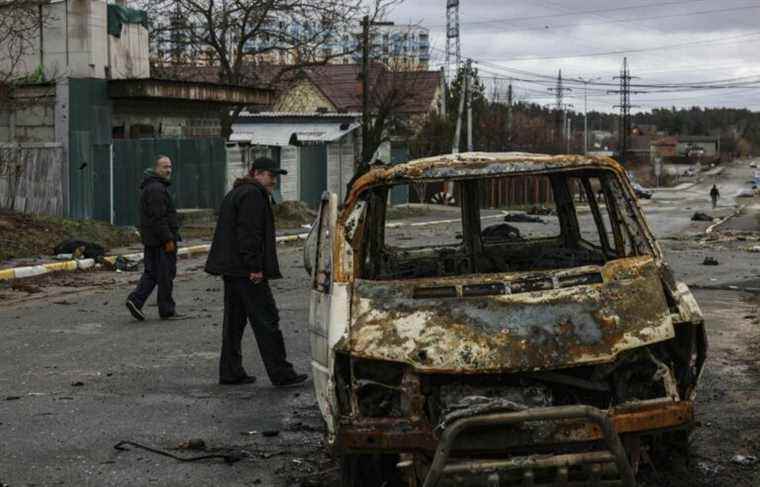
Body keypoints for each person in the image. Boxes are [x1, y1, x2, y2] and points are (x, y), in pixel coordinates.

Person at [205, 158, 307, 387]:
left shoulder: (237, 192)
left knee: (234, 322)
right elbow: (249, 234)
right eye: (271, 176)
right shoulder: (253, 195)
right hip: (245, 271)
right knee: (267, 319)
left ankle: (230, 371)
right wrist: (255, 268)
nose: (274, 181)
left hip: (232, 270)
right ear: (257, 173)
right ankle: (281, 373)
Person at [126, 155, 181, 321]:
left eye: (170, 166)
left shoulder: (153, 186)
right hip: (160, 240)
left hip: (152, 239)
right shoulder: (156, 188)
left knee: (152, 273)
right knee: (165, 274)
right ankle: (167, 310)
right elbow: (159, 217)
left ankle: (135, 300)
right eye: (164, 167)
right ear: (156, 169)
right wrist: (168, 239)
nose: (168, 170)